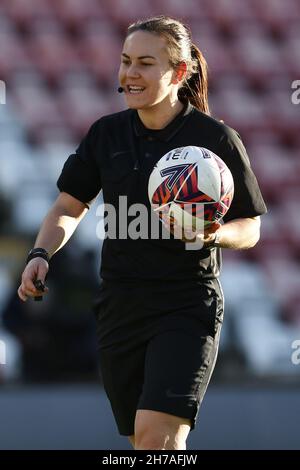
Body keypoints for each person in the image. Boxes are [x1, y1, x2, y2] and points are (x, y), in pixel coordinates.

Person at [18, 16, 267, 450]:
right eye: (126, 61)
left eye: (145, 63)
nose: (130, 73)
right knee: (141, 445)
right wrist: (41, 253)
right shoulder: (106, 134)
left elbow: (251, 228)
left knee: (159, 443)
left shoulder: (215, 141)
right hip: (120, 306)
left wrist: (213, 233)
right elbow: (67, 206)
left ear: (179, 72)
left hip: (186, 305)